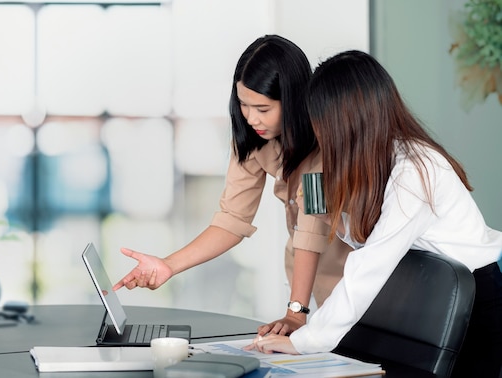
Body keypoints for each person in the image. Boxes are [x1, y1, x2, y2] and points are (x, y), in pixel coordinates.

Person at [245, 50, 502, 377]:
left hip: (470, 304)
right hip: (423, 296)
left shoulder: (415, 171)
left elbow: (369, 265)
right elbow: (367, 238)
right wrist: (326, 214)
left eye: (321, 123)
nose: (318, 134)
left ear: (346, 121)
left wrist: (304, 341)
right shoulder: (380, 158)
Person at [112, 35, 351, 334]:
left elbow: (311, 229)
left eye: (263, 109)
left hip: (353, 284)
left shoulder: (323, 142)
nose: (251, 118)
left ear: (292, 100)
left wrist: (296, 313)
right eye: (243, 104)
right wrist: (168, 265)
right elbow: (232, 220)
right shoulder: (253, 138)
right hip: (310, 288)